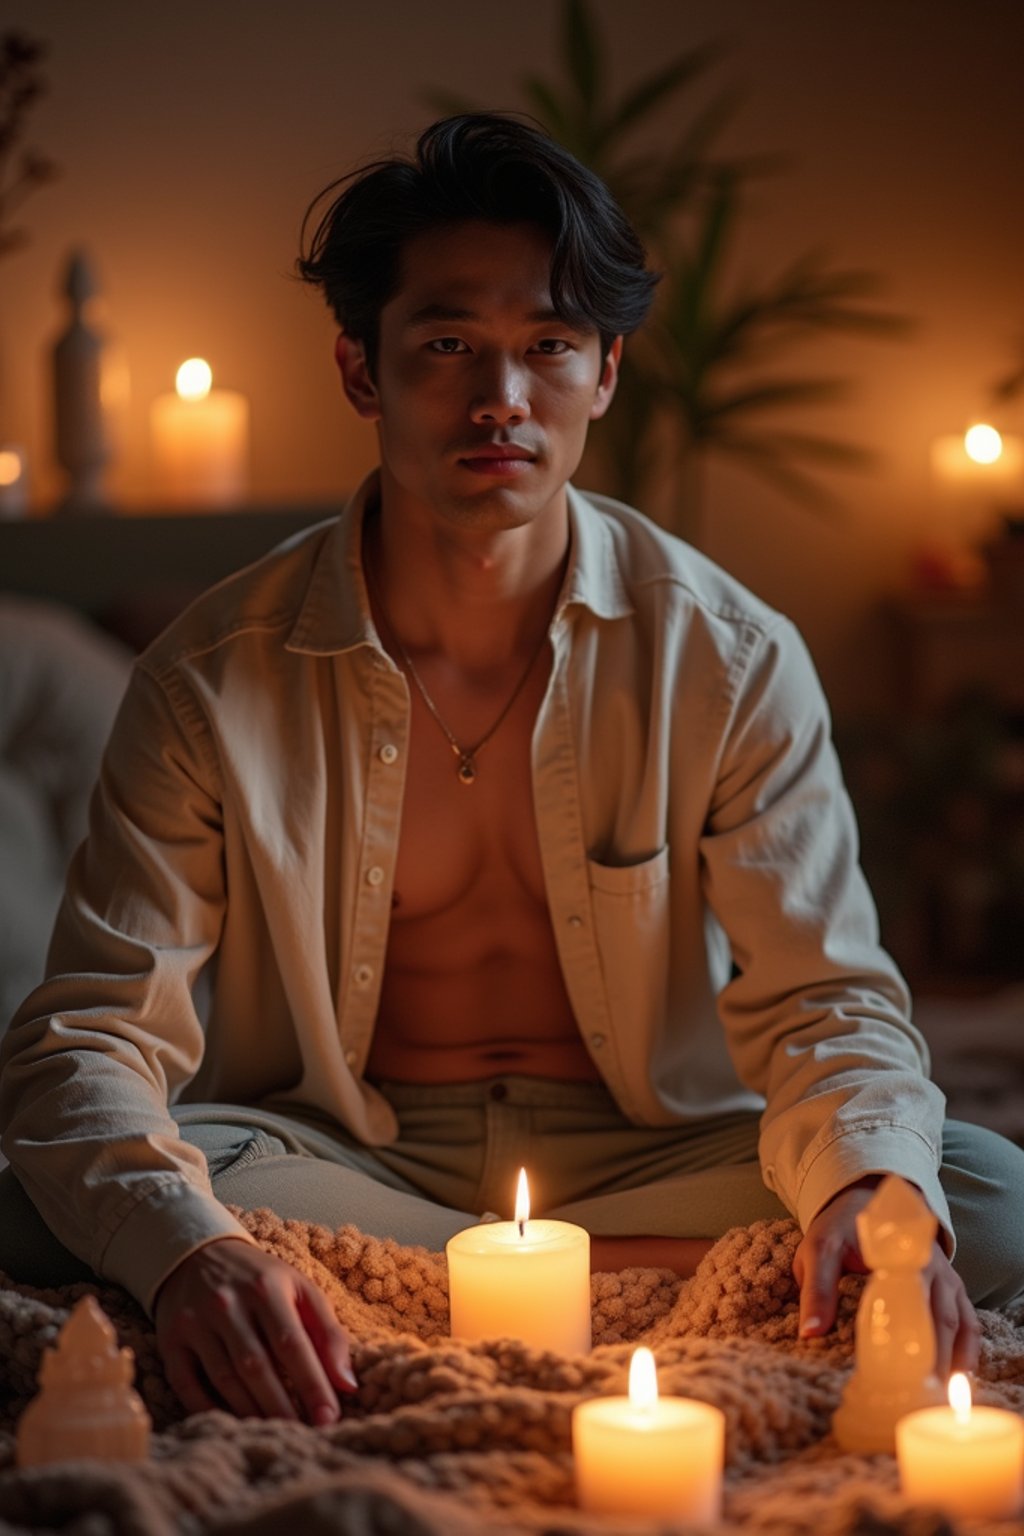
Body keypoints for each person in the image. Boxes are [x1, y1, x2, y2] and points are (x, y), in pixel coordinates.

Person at [1, 114, 1021, 1429]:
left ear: (605, 373)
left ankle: (382, 1289)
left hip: (654, 1149)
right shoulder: (212, 676)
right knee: (41, 1197)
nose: (503, 399)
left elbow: (826, 1000)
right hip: (343, 1150)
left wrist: (867, 1199)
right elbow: (95, 1030)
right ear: (360, 370)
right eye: (446, 346)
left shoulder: (727, 656)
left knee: (966, 1197)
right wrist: (195, 1248)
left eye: (549, 346)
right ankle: (629, 1286)